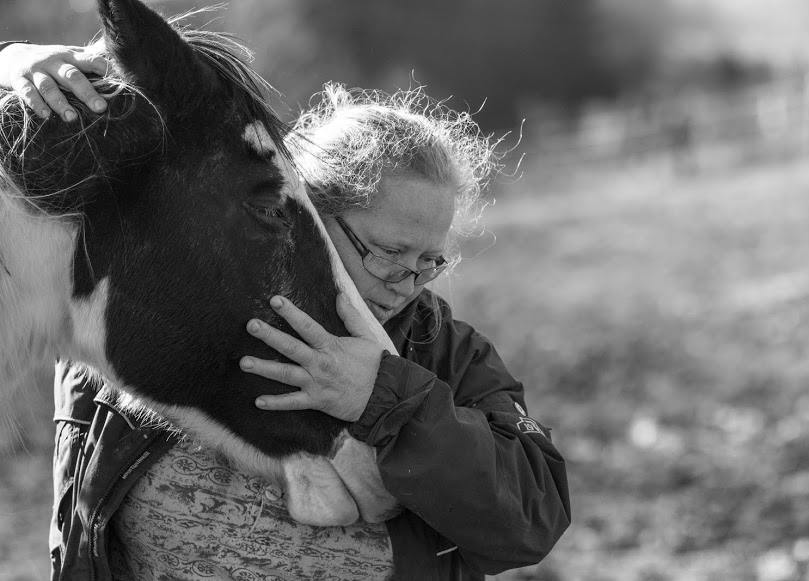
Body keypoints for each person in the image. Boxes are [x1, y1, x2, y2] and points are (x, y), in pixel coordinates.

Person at [1, 41, 570, 581]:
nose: (408, 285)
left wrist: (387, 400)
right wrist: (13, 62)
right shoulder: (151, 308)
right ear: (304, 213)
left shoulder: (446, 353)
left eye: (430, 261)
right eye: (389, 253)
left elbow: (531, 520)